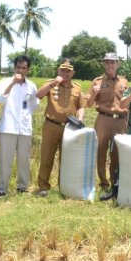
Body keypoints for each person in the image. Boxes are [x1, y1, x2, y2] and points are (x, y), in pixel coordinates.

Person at [36, 58, 86, 197]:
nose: (65, 73)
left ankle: (64, 188)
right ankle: (43, 187)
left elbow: (81, 106)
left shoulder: (77, 88)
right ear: (58, 71)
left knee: (67, 160)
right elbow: (38, 95)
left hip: (69, 128)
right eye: (63, 70)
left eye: (68, 71)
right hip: (51, 125)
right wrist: (54, 83)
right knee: (47, 157)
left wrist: (80, 120)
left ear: (73, 73)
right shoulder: (50, 84)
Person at [0, 55, 40, 197]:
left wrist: (25, 116)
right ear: (14, 68)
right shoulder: (4, 82)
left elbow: (35, 105)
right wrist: (13, 82)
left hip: (25, 128)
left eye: (24, 68)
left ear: (28, 69)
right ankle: (2, 189)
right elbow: (0, 100)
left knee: (24, 160)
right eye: (18, 67)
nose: (21, 70)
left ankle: (22, 187)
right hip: (8, 127)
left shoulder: (31, 85)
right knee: (5, 160)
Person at [87, 52, 129, 201]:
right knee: (100, 151)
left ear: (117, 64)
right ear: (104, 64)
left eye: (113, 62)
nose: (110, 65)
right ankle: (103, 183)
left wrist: (127, 123)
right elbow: (89, 104)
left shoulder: (124, 82)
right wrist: (93, 93)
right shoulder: (97, 81)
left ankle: (115, 184)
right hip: (103, 119)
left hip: (120, 121)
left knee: (117, 154)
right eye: (107, 62)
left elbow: (128, 103)